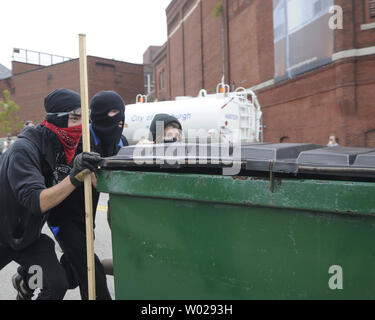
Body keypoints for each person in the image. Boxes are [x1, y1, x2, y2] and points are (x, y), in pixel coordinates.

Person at [0, 88, 101, 300]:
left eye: (85, 118)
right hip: (2, 233)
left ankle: (25, 284)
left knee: (56, 284)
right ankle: (26, 280)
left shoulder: (68, 148)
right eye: (76, 118)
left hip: (28, 240)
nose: (81, 125)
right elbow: (38, 202)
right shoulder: (24, 149)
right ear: (57, 120)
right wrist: (74, 178)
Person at [41, 90, 128, 300]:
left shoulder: (121, 142)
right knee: (92, 271)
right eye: (113, 112)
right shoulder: (80, 139)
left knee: (72, 273)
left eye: (121, 112)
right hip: (62, 215)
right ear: (98, 114)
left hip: (87, 214)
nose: (119, 119)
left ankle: (29, 277)